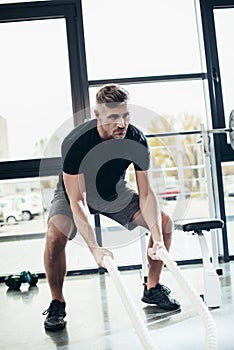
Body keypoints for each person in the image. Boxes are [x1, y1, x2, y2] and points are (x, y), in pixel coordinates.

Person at [43, 84, 180, 332]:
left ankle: (152, 287)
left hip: (113, 193)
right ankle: (57, 302)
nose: (121, 123)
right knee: (54, 236)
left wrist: (157, 238)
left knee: (165, 223)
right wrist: (94, 249)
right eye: (113, 117)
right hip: (75, 194)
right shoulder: (76, 141)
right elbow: (78, 200)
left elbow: (146, 194)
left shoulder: (136, 139)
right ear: (97, 115)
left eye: (125, 115)